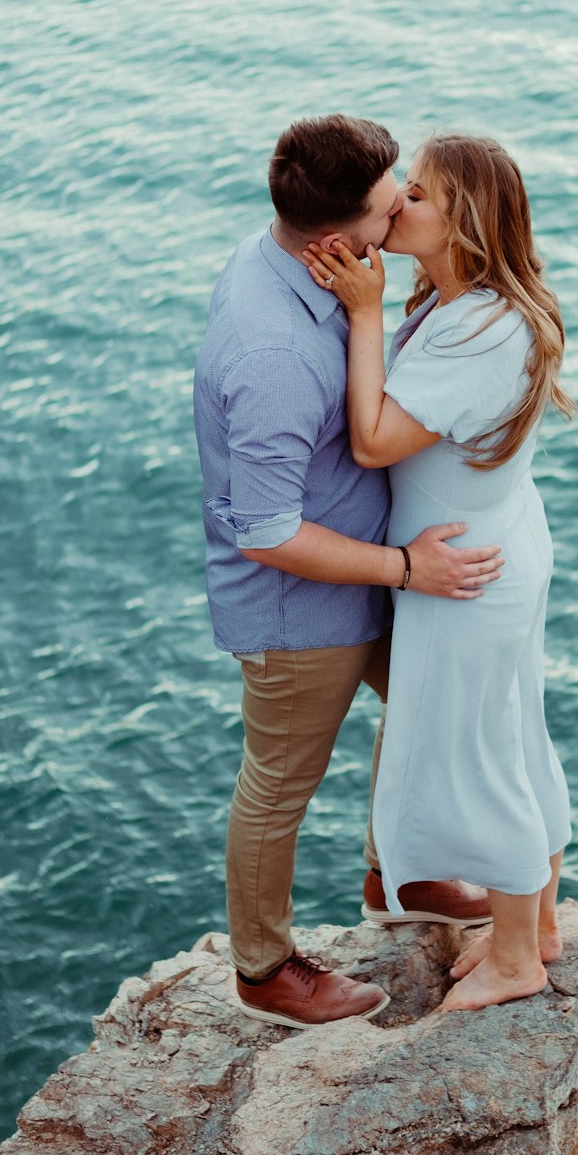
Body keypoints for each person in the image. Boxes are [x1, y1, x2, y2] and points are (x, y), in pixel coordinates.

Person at [193, 115, 498, 1030]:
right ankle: (265, 970)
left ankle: (396, 874)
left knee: (428, 705)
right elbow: (267, 531)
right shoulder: (276, 353)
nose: (404, 203)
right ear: (335, 235)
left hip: (364, 572)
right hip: (304, 606)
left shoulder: (291, 259)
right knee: (279, 786)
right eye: (389, 200)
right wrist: (409, 567)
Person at [301, 132, 575, 1012]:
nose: (395, 200)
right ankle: (535, 923)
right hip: (490, 546)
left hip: (466, 570)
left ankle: (516, 960)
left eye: (416, 193)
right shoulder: (463, 301)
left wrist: (363, 313)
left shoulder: (482, 330)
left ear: (463, 220)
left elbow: (377, 439)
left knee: (481, 751)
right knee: (512, 736)